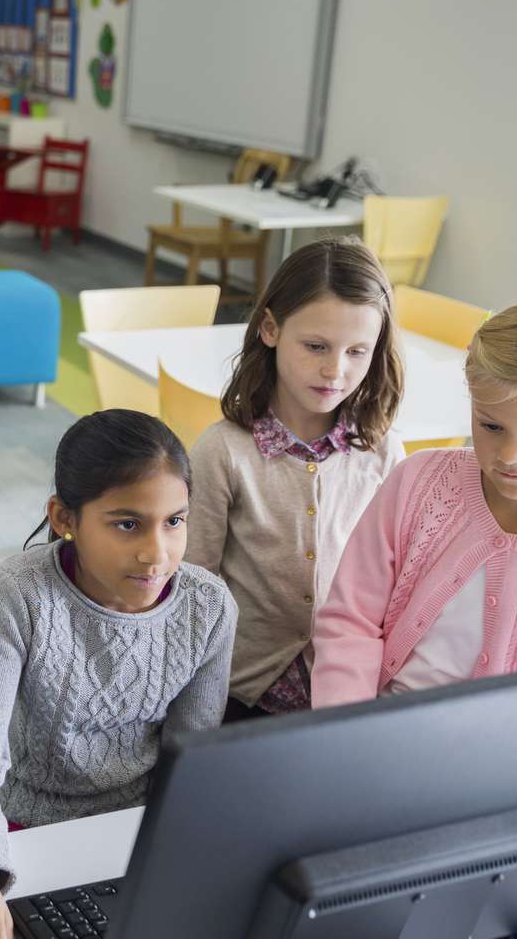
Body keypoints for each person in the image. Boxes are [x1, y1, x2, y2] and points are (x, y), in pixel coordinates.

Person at [0, 410, 237, 939]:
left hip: (136, 833)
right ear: (63, 518)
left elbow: (191, 766)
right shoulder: (19, 593)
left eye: (175, 521)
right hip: (24, 830)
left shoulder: (209, 607)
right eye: (127, 523)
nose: (155, 552)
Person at [312, 298, 517, 707]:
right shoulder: (418, 481)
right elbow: (350, 620)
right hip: (360, 731)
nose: (509, 455)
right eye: (491, 425)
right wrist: (349, 730)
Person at [185, 238, 405, 718]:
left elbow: (396, 583)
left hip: (347, 694)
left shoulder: (384, 452)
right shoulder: (223, 450)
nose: (335, 369)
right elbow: (192, 586)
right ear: (270, 328)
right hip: (238, 692)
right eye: (316, 346)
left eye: (357, 352)